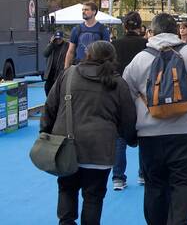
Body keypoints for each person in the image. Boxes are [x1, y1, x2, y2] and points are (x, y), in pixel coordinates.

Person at [122, 13, 187, 225]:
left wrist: (130, 128)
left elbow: (125, 94)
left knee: (155, 186)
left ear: (151, 32)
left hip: (150, 136)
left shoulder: (140, 58)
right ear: (177, 31)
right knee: (184, 185)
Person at [41, 41, 137, 225]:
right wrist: (132, 139)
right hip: (99, 150)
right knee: (94, 196)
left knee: (67, 189)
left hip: (66, 145)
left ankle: (66, 222)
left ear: (87, 54)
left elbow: (50, 107)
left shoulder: (68, 75)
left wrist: (45, 132)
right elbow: (128, 118)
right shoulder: (117, 82)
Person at [110, 12, 148, 191]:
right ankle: (143, 174)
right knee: (145, 135)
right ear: (140, 27)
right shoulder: (147, 45)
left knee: (119, 138)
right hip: (143, 94)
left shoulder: (114, 45)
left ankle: (118, 177)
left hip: (119, 93)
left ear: (124, 26)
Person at [65, 1, 111, 68]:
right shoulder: (77, 29)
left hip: (96, 67)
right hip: (79, 67)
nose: (83, 12)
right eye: (82, 10)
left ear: (94, 12)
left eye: (86, 10)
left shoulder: (102, 30)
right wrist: (66, 69)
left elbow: (107, 52)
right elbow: (70, 51)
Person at [43, 30, 69, 95]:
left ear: (62, 38)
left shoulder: (67, 45)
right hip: (50, 72)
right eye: (56, 38)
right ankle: (49, 103)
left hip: (60, 72)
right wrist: (51, 44)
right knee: (47, 88)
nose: (58, 40)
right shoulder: (51, 45)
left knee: (58, 91)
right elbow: (45, 54)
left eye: (59, 38)